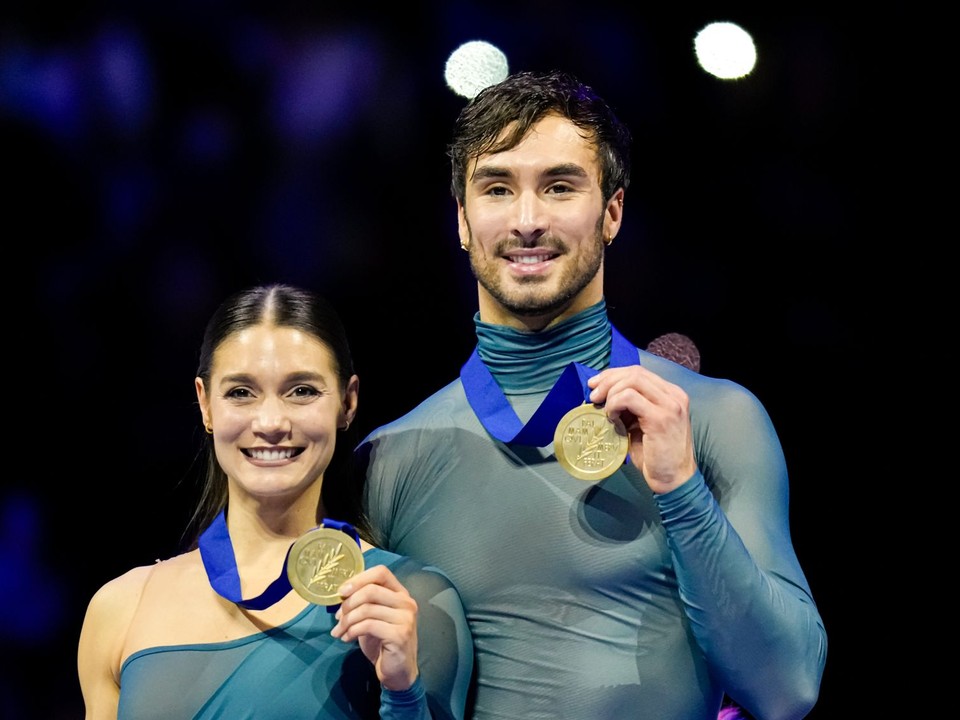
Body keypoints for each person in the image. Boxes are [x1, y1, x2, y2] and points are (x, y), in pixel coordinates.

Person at [356, 70, 827, 720]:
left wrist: (682, 490)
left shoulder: (718, 420)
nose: (527, 220)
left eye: (559, 186)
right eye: (497, 188)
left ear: (612, 212)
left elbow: (787, 689)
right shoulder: (389, 458)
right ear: (462, 219)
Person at [78, 283, 474, 719]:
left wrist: (402, 692)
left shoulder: (405, 602)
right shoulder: (119, 608)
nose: (270, 422)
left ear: (348, 402)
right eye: (241, 392)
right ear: (205, 405)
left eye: (301, 390)